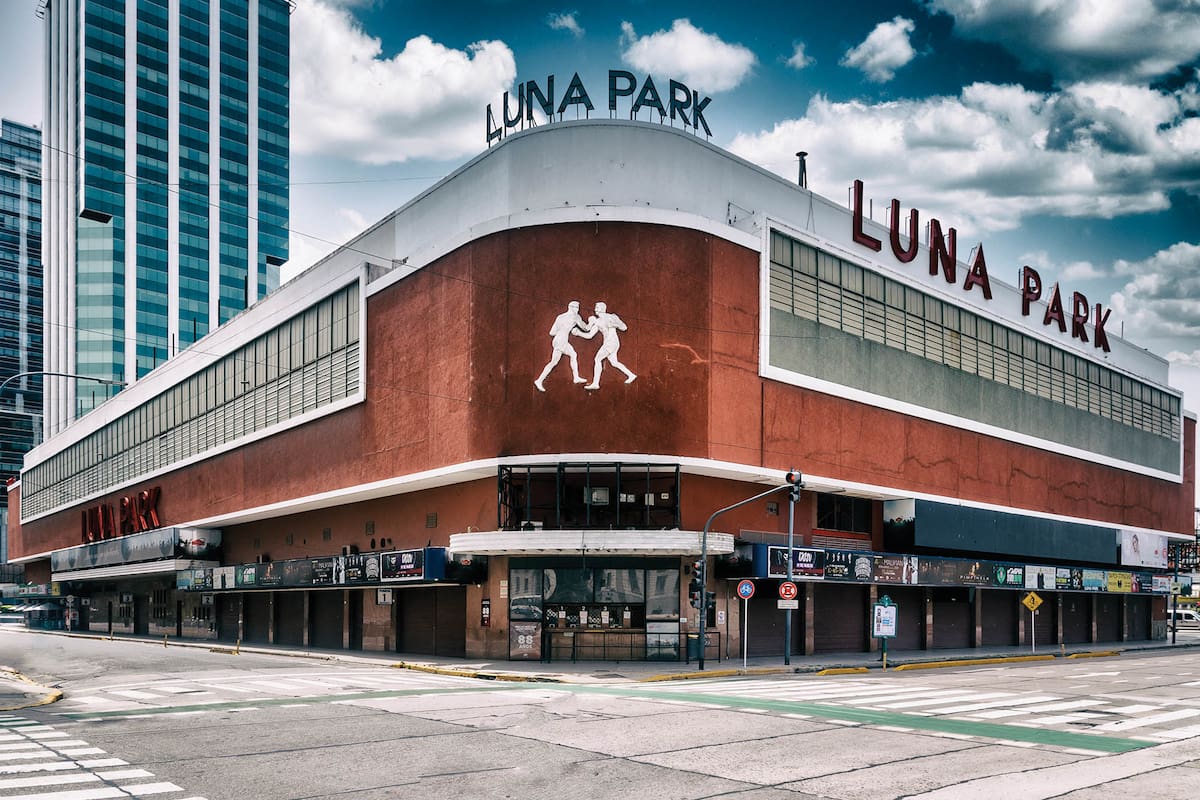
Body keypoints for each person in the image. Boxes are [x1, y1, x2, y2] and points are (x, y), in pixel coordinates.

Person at [574, 301, 637, 389]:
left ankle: (596, 383)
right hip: (611, 343)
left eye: (597, 308)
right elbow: (589, 335)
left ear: (603, 309)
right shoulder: (598, 321)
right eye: (595, 308)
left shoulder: (611, 317)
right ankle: (631, 375)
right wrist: (578, 333)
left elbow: (624, 327)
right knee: (614, 362)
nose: (596, 310)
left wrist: (615, 323)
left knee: (597, 359)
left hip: (611, 343)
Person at [534, 301, 589, 392]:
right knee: (555, 361)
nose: (578, 310)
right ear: (571, 307)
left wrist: (563, 329)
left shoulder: (560, 317)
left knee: (572, 355)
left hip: (557, 340)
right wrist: (592, 322)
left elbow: (552, 332)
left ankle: (576, 377)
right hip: (562, 340)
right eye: (577, 307)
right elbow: (585, 328)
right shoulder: (575, 317)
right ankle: (539, 380)